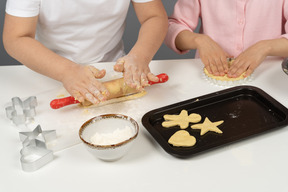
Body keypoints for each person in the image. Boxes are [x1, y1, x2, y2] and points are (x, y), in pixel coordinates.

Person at [3, 0, 168, 104]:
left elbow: (154, 16)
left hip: (112, 71)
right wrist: (67, 71)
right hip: (49, 73)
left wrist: (140, 56)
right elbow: (15, 38)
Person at [165, 0, 288, 78]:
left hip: (269, 77)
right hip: (210, 75)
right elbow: (171, 27)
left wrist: (265, 47)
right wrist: (199, 40)